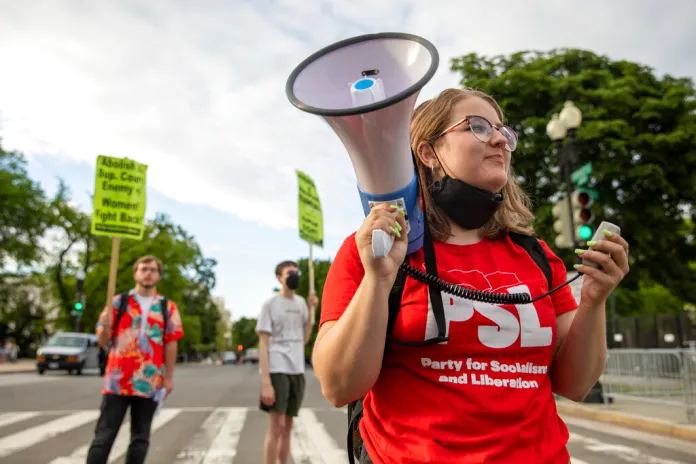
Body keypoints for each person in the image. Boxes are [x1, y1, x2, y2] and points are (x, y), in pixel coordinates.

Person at [313, 88, 630, 463]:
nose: (499, 139)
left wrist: (593, 302)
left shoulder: (537, 256)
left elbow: (576, 385)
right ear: (428, 153)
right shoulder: (371, 249)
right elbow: (338, 385)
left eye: (503, 131)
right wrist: (378, 279)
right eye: (476, 127)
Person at [86, 255, 184, 464]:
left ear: (159, 275)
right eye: (143, 269)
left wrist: (169, 377)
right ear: (135, 273)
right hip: (117, 380)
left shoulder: (167, 307)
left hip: (149, 381)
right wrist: (104, 326)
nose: (148, 273)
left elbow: (171, 342)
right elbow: (102, 341)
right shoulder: (118, 302)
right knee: (104, 436)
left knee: (140, 438)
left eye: (153, 269)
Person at [256, 260, 318, 464]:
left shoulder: (301, 303)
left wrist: (311, 311)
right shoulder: (270, 304)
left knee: (288, 426)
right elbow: (263, 344)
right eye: (289, 273)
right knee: (276, 425)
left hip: (297, 368)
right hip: (278, 367)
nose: (294, 276)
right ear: (279, 278)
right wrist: (266, 382)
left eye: (296, 272)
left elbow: (305, 338)